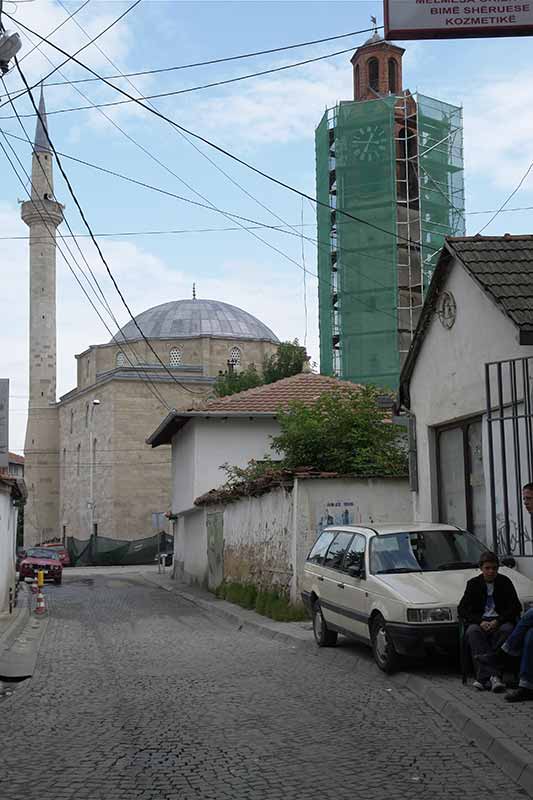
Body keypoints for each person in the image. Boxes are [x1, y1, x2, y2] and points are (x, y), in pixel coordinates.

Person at [458, 551, 522, 692]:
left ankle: (483, 678)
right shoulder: (473, 584)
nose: (491, 571)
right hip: (480, 621)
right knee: (473, 631)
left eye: (494, 568)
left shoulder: (505, 582)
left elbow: (515, 607)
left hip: (500, 621)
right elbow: (462, 609)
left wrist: (498, 621)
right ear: (481, 568)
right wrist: (479, 621)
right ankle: (494, 676)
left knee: (507, 630)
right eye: (487, 568)